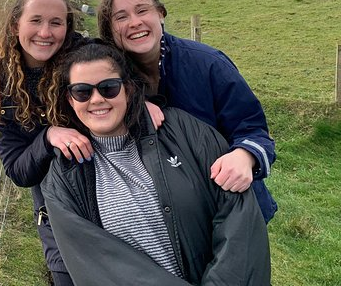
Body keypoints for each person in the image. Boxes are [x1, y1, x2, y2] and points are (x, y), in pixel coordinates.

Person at [41, 40, 271, 285]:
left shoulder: (184, 131)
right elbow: (99, 265)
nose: (96, 99)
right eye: (82, 91)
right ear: (70, 98)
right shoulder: (64, 177)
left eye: (109, 88)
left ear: (128, 89)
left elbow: (238, 218)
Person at [96, 0, 277, 223]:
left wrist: (245, 156)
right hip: (163, 221)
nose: (135, 22)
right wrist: (134, 98)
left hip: (230, 207)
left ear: (160, 13)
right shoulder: (109, 83)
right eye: (121, 17)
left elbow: (253, 129)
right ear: (110, 28)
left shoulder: (209, 63)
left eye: (142, 10)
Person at [0, 0, 91, 285]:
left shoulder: (89, 60)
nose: (45, 32)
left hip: (113, 203)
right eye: (35, 20)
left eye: (56, 22)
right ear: (16, 25)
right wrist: (49, 136)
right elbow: (19, 171)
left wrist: (145, 103)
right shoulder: (0, 86)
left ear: (67, 27)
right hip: (56, 218)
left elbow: (123, 91)